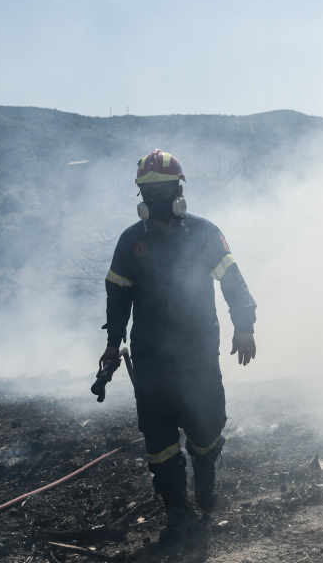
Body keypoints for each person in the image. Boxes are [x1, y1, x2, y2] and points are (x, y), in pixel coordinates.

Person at [99, 149, 257, 543]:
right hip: (150, 356)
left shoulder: (204, 234)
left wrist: (244, 325)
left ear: (179, 189)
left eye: (165, 189)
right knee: (158, 437)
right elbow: (117, 297)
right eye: (148, 192)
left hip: (197, 352)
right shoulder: (131, 242)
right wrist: (111, 344)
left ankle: (205, 477)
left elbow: (232, 280)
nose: (156, 199)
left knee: (207, 427)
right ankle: (177, 510)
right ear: (140, 196)